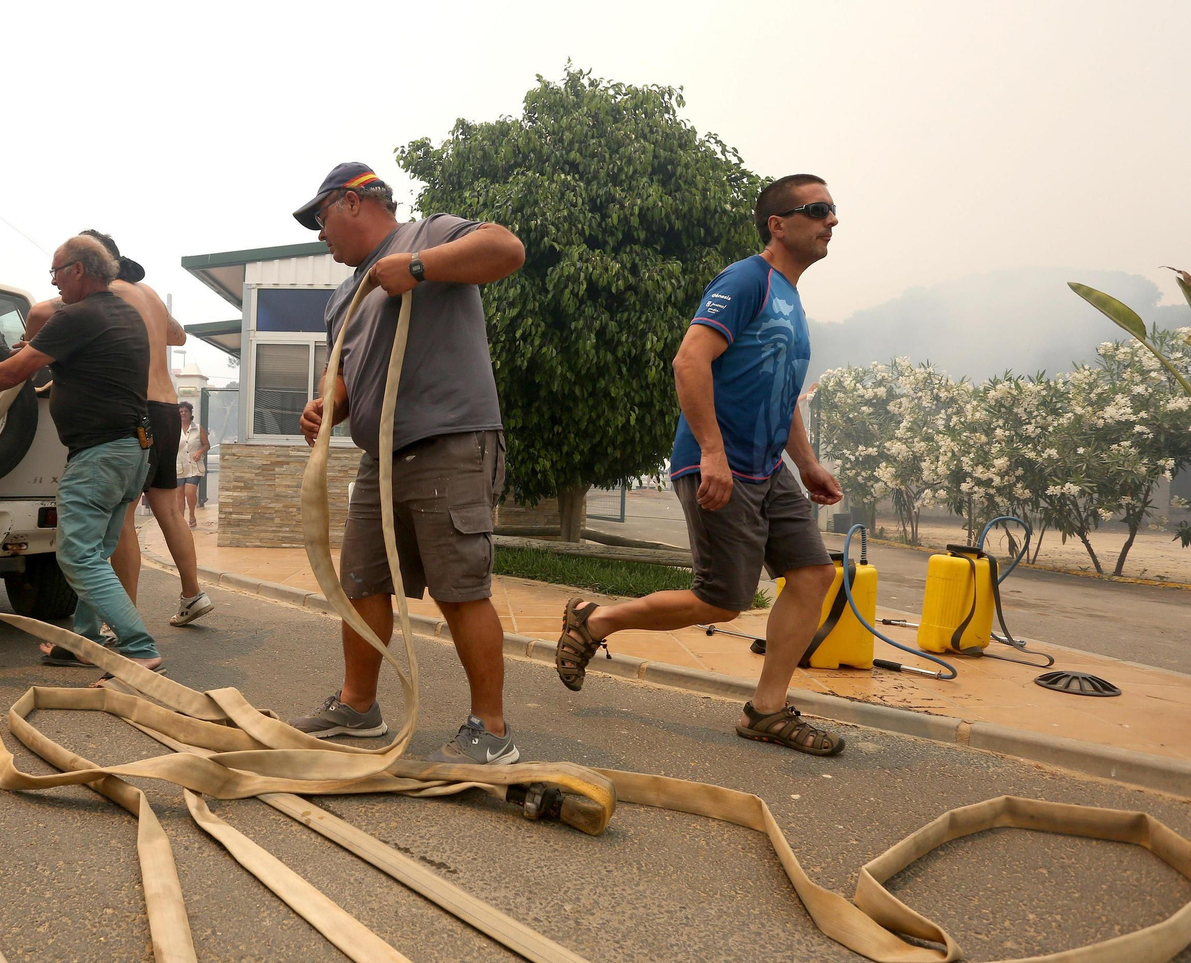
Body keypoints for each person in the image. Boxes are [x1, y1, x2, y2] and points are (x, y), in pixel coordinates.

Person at [555, 174, 849, 756]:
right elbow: (689, 361)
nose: (831, 222)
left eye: (833, 211)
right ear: (778, 224)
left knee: (814, 576)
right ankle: (596, 621)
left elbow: (780, 391)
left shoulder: (790, 297)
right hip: (723, 463)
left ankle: (766, 711)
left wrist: (808, 464)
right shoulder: (746, 280)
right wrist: (712, 453)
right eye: (817, 211)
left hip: (769, 467)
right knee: (721, 599)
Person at [285, 162, 527, 766]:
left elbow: (507, 249)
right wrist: (326, 406)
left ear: (352, 201)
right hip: (380, 458)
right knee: (361, 582)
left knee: (459, 588)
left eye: (321, 220)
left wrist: (419, 267)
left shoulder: (430, 234)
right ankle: (358, 706)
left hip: (450, 440)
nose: (320, 236)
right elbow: (342, 374)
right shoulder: (344, 295)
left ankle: (490, 732)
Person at [0, 234, 163, 678]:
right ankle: (82, 643)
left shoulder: (76, 316)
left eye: (56, 272)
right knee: (95, 553)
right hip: (132, 450)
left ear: (78, 270)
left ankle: (139, 648)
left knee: (78, 557)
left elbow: (14, 372)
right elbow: (73, 362)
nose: (54, 282)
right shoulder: (123, 312)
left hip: (101, 453)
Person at [22, 230, 214, 629]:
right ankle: (192, 593)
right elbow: (178, 335)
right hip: (166, 408)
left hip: (130, 410)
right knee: (169, 509)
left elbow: (42, 311)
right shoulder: (149, 294)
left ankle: (120, 616)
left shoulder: (104, 298)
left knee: (121, 518)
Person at [174, 401, 209, 528]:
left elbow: (206, 444)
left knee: (190, 492)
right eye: (181, 411)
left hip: (194, 465)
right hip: (178, 466)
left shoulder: (198, 428)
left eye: (186, 411)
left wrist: (200, 451)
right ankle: (180, 521)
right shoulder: (173, 428)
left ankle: (192, 514)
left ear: (190, 413)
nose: (183, 414)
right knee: (179, 495)